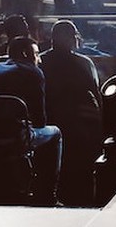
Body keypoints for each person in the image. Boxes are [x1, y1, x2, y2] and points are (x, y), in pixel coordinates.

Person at [0, 36, 62, 205]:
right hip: (14, 138)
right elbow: (39, 122)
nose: (39, 59)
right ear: (25, 53)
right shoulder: (33, 72)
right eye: (36, 54)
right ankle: (47, 195)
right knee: (55, 133)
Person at [38, 21, 102, 206]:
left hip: (47, 123)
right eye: (74, 35)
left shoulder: (41, 61)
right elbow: (96, 96)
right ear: (69, 38)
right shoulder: (83, 63)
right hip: (78, 130)